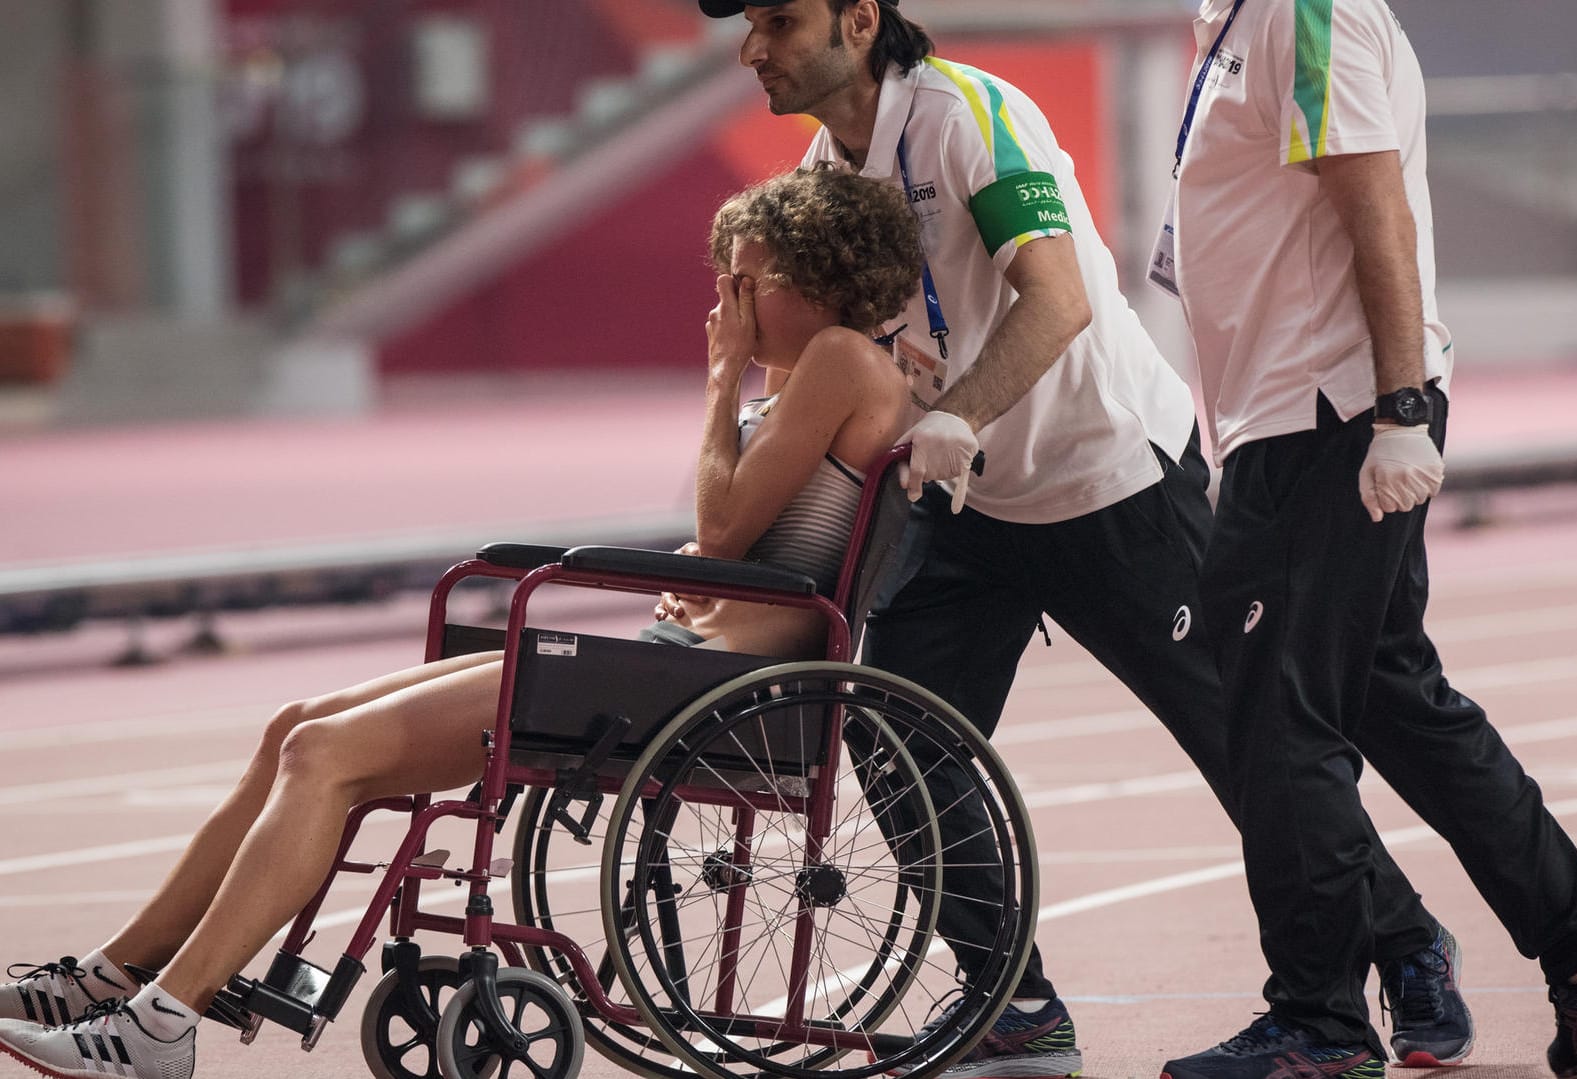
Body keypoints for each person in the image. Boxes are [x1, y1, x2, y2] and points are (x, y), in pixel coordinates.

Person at [691, 2, 1478, 1077]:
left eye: (778, 20)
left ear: (860, 18)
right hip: (965, 501)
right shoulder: (828, 163)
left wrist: (957, 410)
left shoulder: (973, 113)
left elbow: (1054, 300)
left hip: (1106, 477)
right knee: (891, 737)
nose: (753, 49)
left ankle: (1405, 938)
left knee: (1247, 746)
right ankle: (1011, 1000)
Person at [0, 167, 921, 1079]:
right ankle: (110, 978)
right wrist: (704, 566)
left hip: (700, 685)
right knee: (296, 726)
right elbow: (740, 540)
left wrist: (719, 384)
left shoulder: (842, 359)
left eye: (748, 281)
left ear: (818, 280)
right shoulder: (814, 373)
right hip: (685, 658)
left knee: (322, 755)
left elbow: (722, 525)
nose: (728, 301)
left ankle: (159, 1026)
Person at [1154, 1, 1577, 1077]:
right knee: (1385, 692)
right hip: (1292, 416)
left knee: (1280, 716)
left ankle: (1318, 1023)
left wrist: (1399, 408)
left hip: (1329, 411)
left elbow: (1375, 207)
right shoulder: (1228, 21)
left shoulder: (1303, 11)